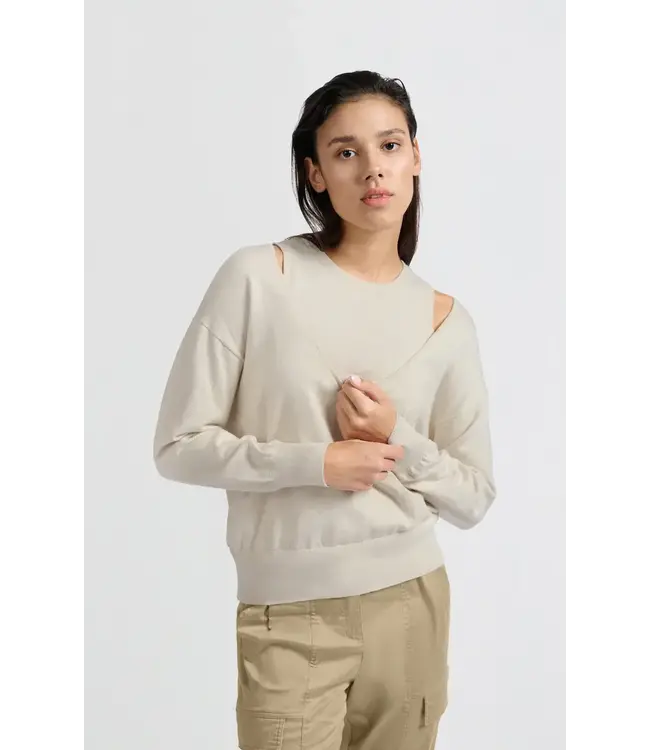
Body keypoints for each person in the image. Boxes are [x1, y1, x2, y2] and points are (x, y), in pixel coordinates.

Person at [153, 70, 496, 750]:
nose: (373, 168)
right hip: (288, 613)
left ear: (416, 157)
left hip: (412, 606)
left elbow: (474, 498)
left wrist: (396, 437)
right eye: (345, 152)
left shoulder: (446, 321)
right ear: (315, 173)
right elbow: (178, 446)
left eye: (389, 145)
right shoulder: (260, 277)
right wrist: (318, 463)